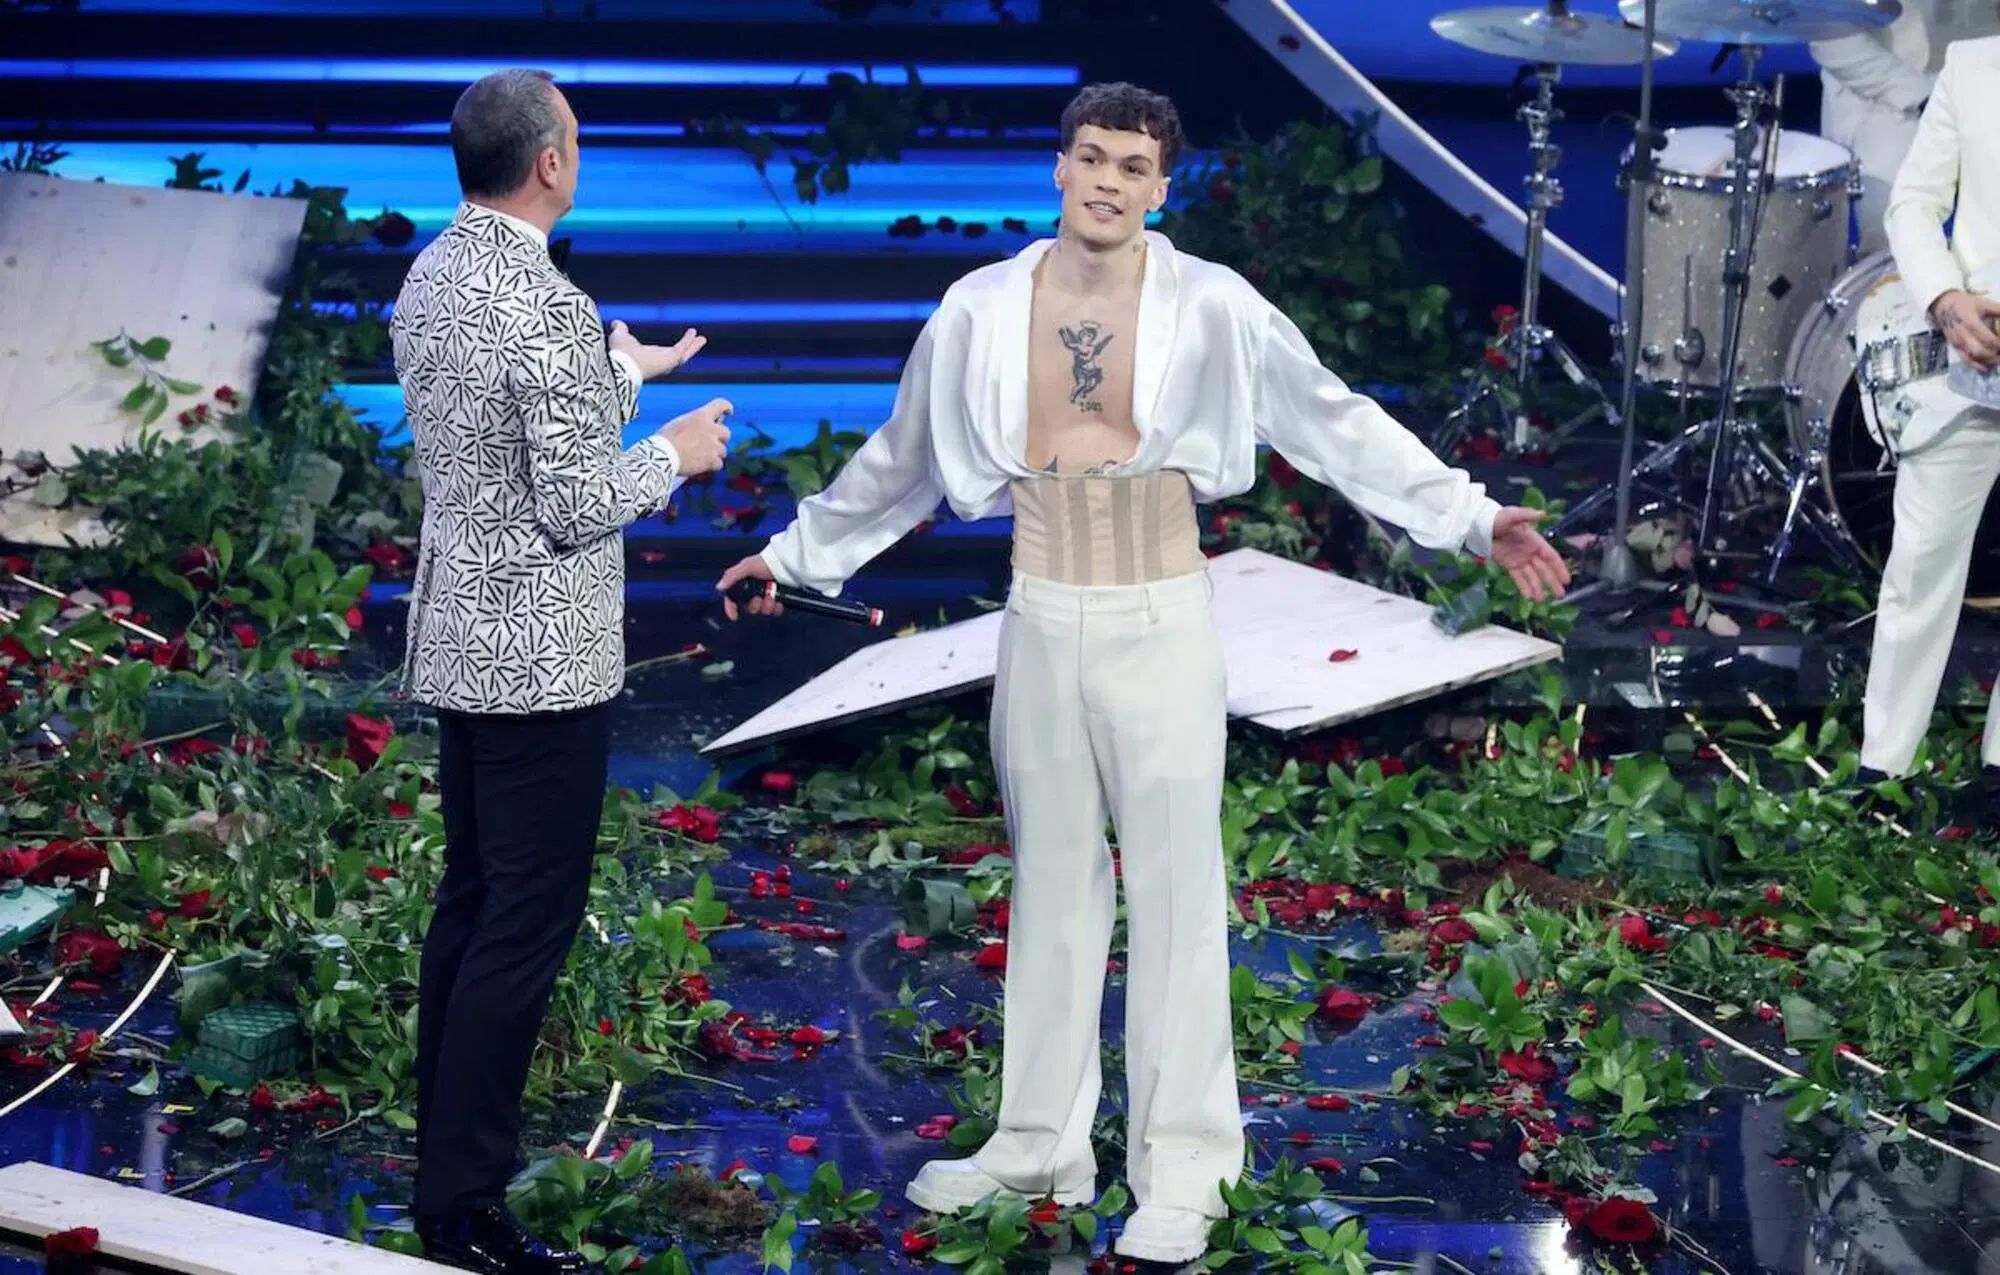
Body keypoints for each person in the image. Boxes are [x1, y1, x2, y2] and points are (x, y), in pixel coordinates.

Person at [715, 82, 1569, 1264]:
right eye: (1090, 158)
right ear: (1058, 171)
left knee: (1172, 896)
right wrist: (793, 554)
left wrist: (1473, 520)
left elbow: (1333, 421)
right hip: (1039, 613)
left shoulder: (1210, 305)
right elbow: (898, 460)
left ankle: (1185, 1168)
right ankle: (1036, 1142)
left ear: (1161, 187)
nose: (1108, 180)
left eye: (1133, 164)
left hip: (1161, 616)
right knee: (1052, 889)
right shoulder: (978, 308)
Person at [393, 68, 732, 1274]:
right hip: (539, 660)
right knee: (518, 928)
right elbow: (574, 500)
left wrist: (623, 373)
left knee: (472, 907)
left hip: (462, 642)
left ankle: (442, 1175)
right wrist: (675, 453)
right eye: (574, 138)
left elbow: (497, 424)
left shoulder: (437, 274)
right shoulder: (540, 305)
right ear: (549, 163)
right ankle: (466, 1205)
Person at [1860, 34, 2000, 812]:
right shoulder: (1974, 65)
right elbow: (1912, 202)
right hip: (1973, 365)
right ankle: (1882, 772)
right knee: (1918, 568)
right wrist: (1946, 300)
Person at [1811, 1, 2000, 255]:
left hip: (1980, 84)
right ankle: (1894, 286)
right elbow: (1830, 34)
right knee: (1892, 219)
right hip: (1883, 97)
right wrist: (1924, 96)